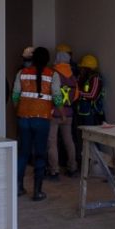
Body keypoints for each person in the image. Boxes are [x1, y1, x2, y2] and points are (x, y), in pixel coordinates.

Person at [11, 45, 60, 200]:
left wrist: (18, 110)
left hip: (24, 118)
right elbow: (57, 97)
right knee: (40, 154)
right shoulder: (52, 74)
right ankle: (37, 192)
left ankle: (18, 187)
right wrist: (62, 113)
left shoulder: (22, 73)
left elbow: (15, 95)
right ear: (47, 59)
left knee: (23, 153)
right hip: (42, 119)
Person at [47, 47, 79, 179]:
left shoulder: (53, 74)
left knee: (52, 142)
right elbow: (76, 95)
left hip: (54, 113)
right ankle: (73, 167)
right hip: (69, 112)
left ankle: (54, 170)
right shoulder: (73, 77)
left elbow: (51, 93)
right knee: (69, 141)